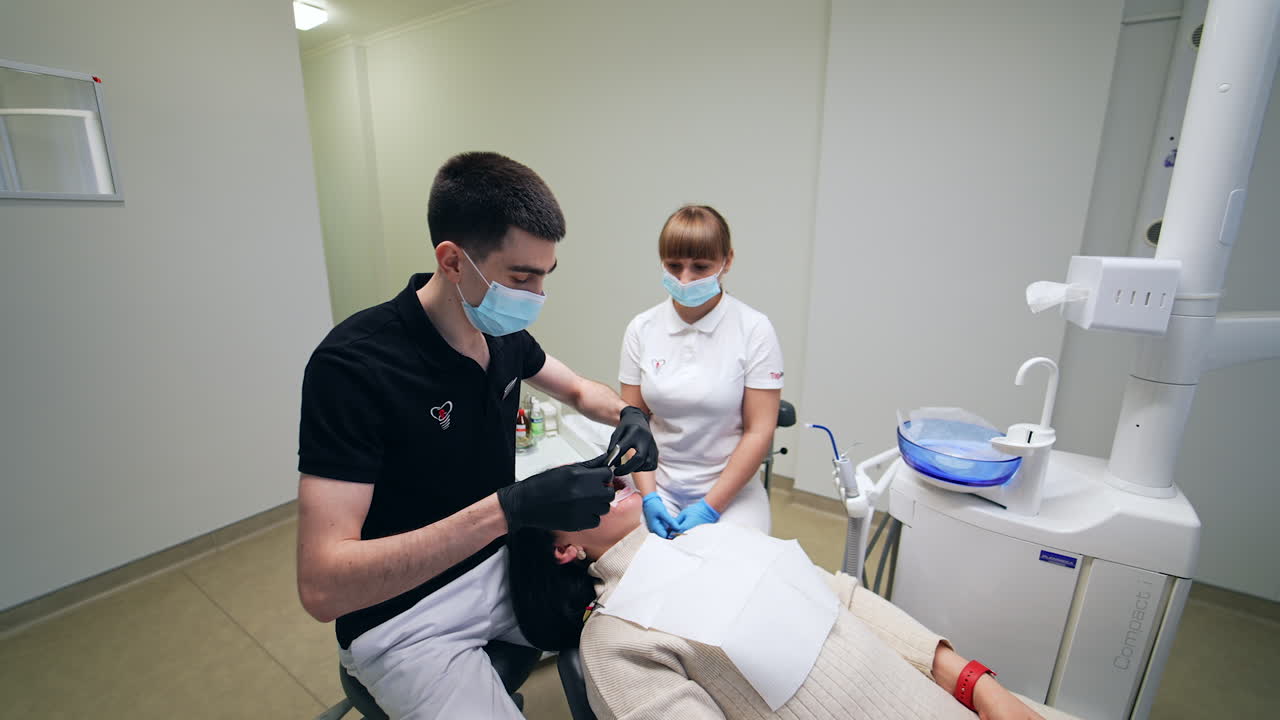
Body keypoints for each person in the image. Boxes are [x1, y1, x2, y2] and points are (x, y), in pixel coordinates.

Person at [295, 152, 659, 720]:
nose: (537, 296)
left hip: (503, 566)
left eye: (545, 276)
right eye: (522, 278)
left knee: (658, 617)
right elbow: (321, 587)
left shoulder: (504, 334)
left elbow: (581, 392)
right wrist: (510, 508)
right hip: (403, 616)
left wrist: (628, 415)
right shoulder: (355, 367)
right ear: (453, 260)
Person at [507, 492, 1070, 720]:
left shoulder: (715, 537)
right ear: (565, 550)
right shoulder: (614, 641)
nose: (605, 479)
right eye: (577, 493)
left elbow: (844, 598)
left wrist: (982, 689)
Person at [619, 205, 783, 539]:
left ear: (728, 260)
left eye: (700, 267)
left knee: (728, 573)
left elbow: (759, 431)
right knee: (638, 571)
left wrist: (711, 506)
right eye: (674, 266)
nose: (685, 279)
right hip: (655, 481)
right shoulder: (642, 328)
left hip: (730, 489)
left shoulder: (754, 329)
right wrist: (649, 496)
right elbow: (634, 423)